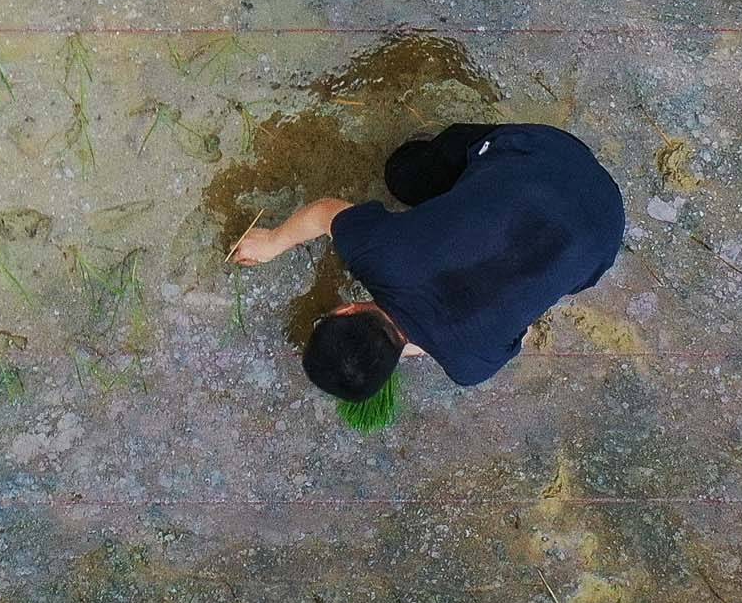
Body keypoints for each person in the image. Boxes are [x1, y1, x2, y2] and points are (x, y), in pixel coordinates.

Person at [227, 122, 624, 412]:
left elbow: (510, 334)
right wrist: (272, 241)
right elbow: (324, 214)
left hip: (602, 232)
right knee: (403, 175)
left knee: (409, 178)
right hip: (550, 156)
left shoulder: (471, 365)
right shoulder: (381, 254)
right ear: (345, 309)